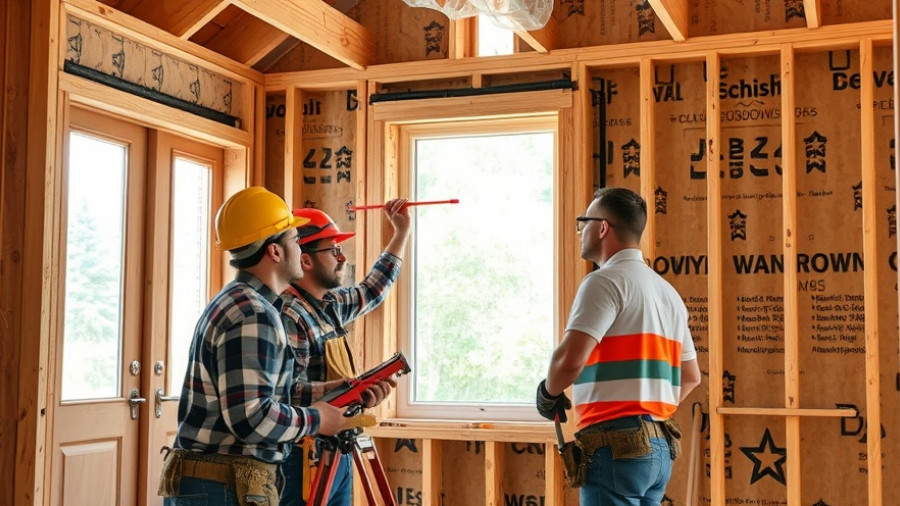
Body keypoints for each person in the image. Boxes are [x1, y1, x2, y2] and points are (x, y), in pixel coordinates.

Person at [158, 186, 351, 506]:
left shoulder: (245, 303)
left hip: (219, 484)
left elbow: (263, 392)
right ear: (275, 252)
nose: (299, 248)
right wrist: (319, 419)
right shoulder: (253, 314)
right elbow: (252, 419)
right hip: (220, 488)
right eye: (293, 239)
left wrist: (333, 390)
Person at [536, 187, 701, 506]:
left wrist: (549, 393)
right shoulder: (668, 294)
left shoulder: (605, 282)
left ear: (602, 227)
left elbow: (570, 361)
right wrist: (648, 410)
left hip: (616, 447)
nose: (581, 230)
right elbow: (691, 376)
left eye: (583, 222)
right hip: (658, 449)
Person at [279, 200, 411, 506]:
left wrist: (401, 233)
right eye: (333, 250)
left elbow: (373, 289)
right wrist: (349, 391)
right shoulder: (290, 315)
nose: (342, 257)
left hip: (337, 446)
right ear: (306, 260)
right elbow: (284, 394)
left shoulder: (330, 304)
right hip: (301, 457)